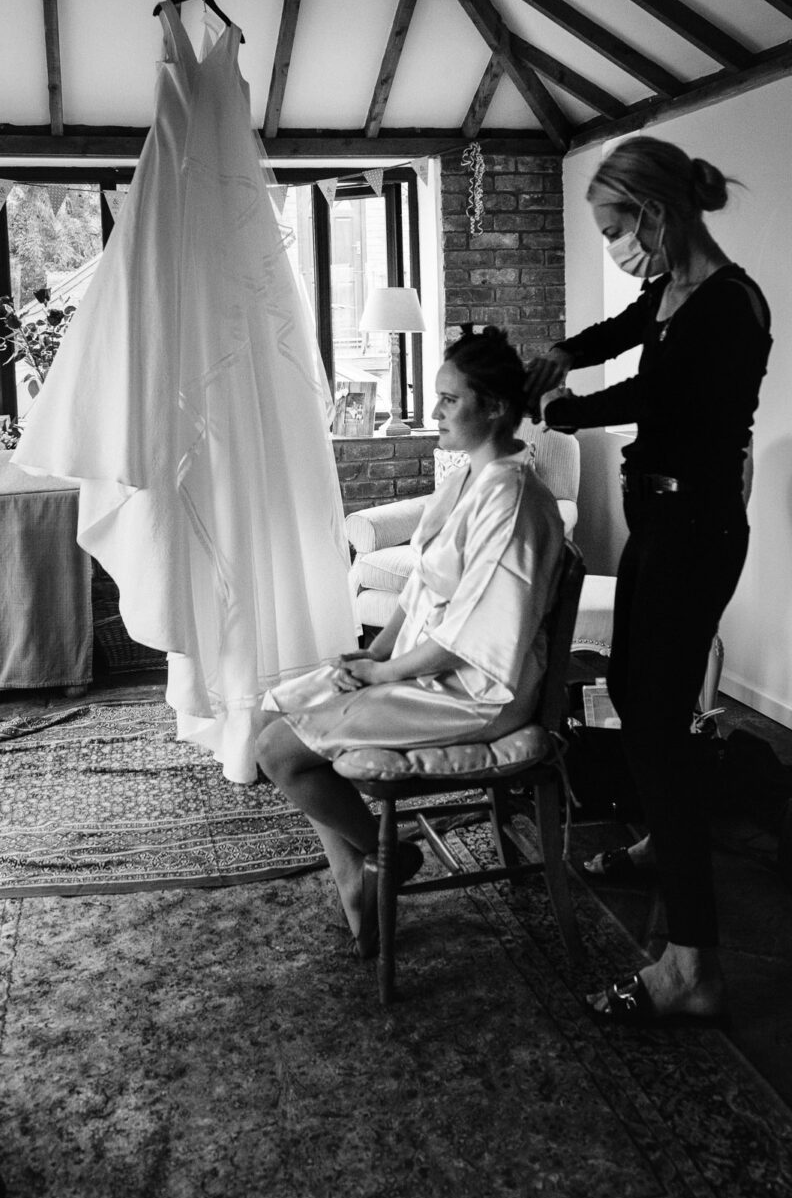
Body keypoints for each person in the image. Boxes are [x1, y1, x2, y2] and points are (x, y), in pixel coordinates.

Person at [525, 136, 771, 1029]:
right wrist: (558, 352)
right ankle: (663, 838)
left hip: (696, 533)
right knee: (634, 692)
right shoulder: (668, 291)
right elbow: (623, 335)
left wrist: (565, 410)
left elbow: (655, 397)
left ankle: (691, 964)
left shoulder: (731, 306)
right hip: (658, 523)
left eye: (614, 228)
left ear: (656, 214)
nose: (615, 247)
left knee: (656, 722)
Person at [257, 327, 565, 957]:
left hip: (476, 689)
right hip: (423, 666)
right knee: (270, 716)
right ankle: (362, 874)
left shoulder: (514, 498)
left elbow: (470, 634)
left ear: (497, 408)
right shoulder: (464, 482)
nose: (433, 413)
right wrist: (375, 654)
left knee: (280, 753)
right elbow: (420, 588)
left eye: (450, 400)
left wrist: (384, 676)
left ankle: (379, 859)